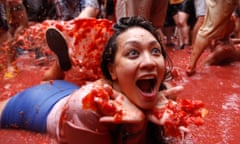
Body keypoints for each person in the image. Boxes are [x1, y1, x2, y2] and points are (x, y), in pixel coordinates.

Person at [0, 16, 205, 143]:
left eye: (155, 51)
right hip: (33, 103)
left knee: (49, 81)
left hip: (66, 88)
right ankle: (62, 64)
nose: (150, 62)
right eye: (133, 53)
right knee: (43, 86)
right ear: (112, 70)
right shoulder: (87, 106)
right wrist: (136, 129)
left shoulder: (164, 94)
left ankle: (62, 65)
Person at [186, 0, 239, 75]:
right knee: (209, 28)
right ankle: (191, 66)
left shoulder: (224, 45)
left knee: (209, 28)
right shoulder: (222, 49)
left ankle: (191, 66)